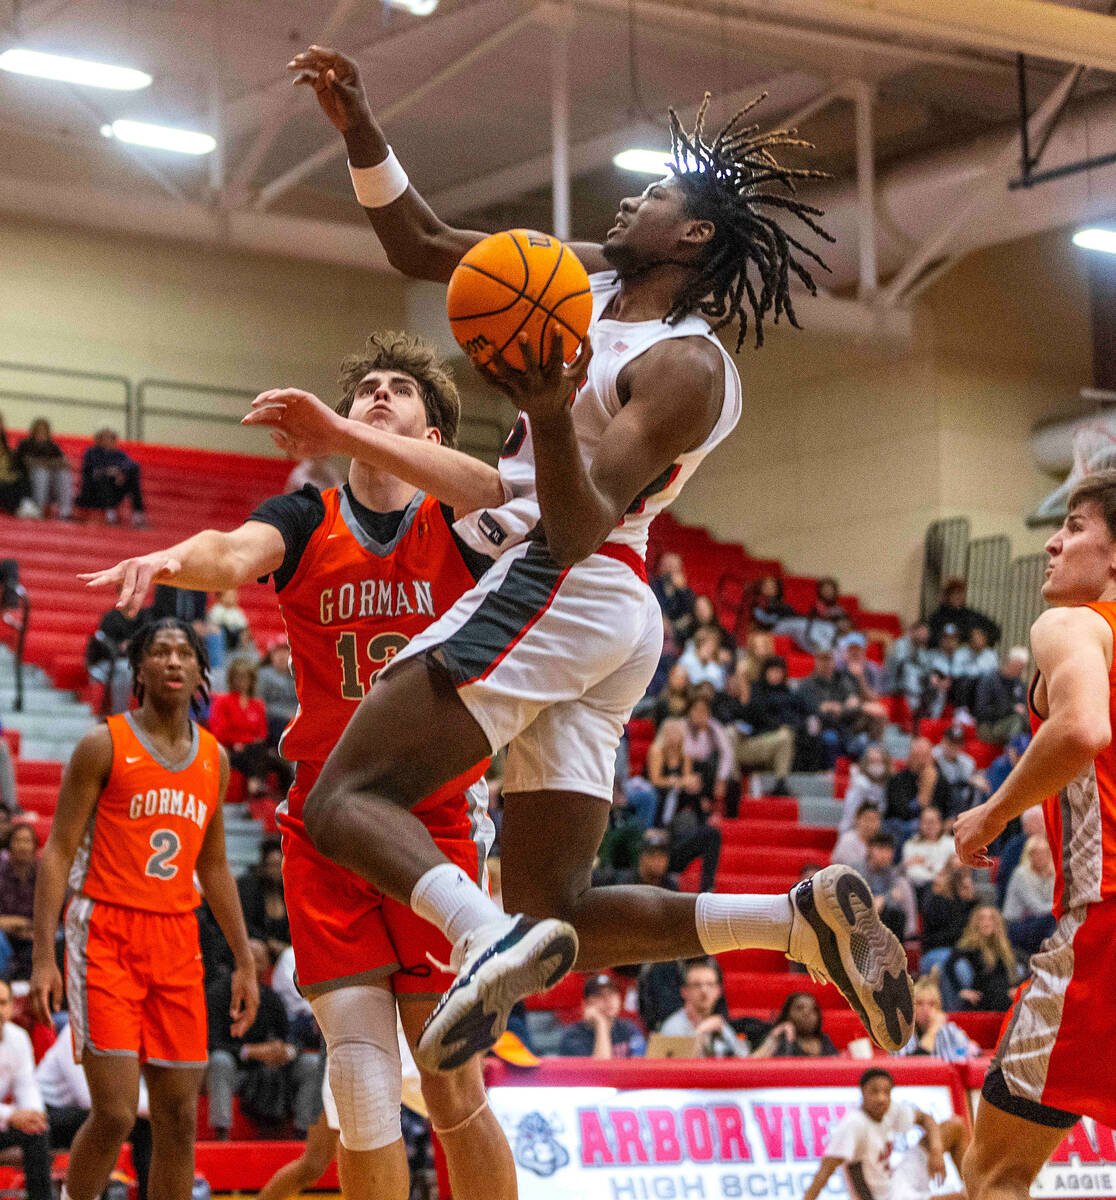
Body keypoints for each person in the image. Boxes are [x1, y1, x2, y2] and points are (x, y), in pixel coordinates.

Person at [264, 44, 912, 1076]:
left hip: (563, 580)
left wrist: (549, 415)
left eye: (652, 192)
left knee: (342, 799)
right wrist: (358, 126)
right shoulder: (592, 281)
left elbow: (574, 526)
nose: (630, 202)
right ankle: (793, 923)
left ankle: (482, 939)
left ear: (692, 233)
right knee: (553, 905)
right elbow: (423, 243)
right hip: (586, 605)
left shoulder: (687, 365)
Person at [79, 330, 516, 1200]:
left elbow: (507, 490)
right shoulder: (307, 516)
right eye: (367, 390)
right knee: (358, 1089)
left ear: (428, 437)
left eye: (401, 392)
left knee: (451, 1082)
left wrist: (359, 438)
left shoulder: (461, 521)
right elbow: (233, 552)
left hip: (432, 820)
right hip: (326, 823)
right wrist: (176, 559)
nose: (380, 395)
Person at [29, 617, 259, 1200]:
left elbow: (212, 867)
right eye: (160, 651)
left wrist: (244, 960)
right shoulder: (102, 744)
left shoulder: (215, 758)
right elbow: (56, 854)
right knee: (113, 1113)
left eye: (185, 651)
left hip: (179, 938)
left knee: (180, 1119)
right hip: (104, 932)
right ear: (139, 669)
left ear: (202, 671)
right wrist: (43, 958)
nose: (174, 661)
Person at [206, 939, 321, 1137]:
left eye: (260, 959)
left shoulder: (271, 998)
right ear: (238, 959)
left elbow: (290, 1036)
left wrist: (286, 1050)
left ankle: (303, 1132)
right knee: (219, 1060)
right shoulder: (218, 993)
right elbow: (212, 1041)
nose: (255, 964)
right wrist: (249, 1051)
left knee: (311, 1062)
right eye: (251, 958)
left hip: (270, 1069)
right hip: (237, 1069)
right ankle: (222, 1131)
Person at [802, 1067, 965, 1200]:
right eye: (874, 1092)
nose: (881, 1098)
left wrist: (936, 1153)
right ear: (863, 1092)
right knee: (960, 1198)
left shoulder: (890, 1109)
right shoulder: (853, 1125)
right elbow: (823, 1173)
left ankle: (973, 1184)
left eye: (886, 1092)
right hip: (882, 1197)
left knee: (955, 1126)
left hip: (896, 1180)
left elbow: (926, 1119)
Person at [37, 1019, 153, 1200]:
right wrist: (157, 1108)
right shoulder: (76, 1030)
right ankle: (82, 1195)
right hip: (51, 1115)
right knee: (109, 1117)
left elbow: (134, 1091)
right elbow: (89, 1097)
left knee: (141, 1124)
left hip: (85, 1112)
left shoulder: (126, 1034)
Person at [0, 976, 51, 1200]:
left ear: (11, 1006)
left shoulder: (18, 1037)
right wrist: (13, 1115)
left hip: (4, 1121)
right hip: (6, 1117)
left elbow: (28, 1087)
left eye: (2, 1003)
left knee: (36, 1132)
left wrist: (33, 1115)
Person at [208, 658, 287, 798]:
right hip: (231, 751)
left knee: (282, 767)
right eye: (238, 677)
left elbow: (262, 733)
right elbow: (219, 732)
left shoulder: (257, 704)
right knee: (259, 753)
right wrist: (242, 741)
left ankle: (285, 803)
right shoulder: (223, 702)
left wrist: (245, 742)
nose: (242, 682)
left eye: (245, 678)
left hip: (253, 749)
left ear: (252, 680)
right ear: (231, 679)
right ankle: (254, 786)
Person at [659, 959, 748, 1057]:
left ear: (718, 991)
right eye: (697, 985)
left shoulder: (719, 1025)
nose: (704, 991)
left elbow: (742, 1061)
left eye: (710, 984)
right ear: (684, 992)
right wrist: (701, 1031)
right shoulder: (673, 1027)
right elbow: (676, 1068)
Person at [943, 906, 1016, 1013]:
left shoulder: (1005, 948)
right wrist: (961, 991)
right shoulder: (968, 947)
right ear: (976, 923)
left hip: (1004, 994)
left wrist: (1015, 988)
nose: (986, 922)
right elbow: (949, 966)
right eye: (982, 919)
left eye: (991, 919)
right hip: (982, 995)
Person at [558, 974, 646, 1059]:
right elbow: (599, 1070)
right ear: (586, 1004)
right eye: (599, 995)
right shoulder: (573, 1035)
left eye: (612, 994)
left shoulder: (629, 1028)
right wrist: (601, 1024)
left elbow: (641, 1063)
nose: (608, 1000)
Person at [895, 976, 980, 1061]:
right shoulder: (903, 1034)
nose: (926, 1010)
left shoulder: (949, 1030)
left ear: (939, 1008)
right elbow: (914, 1066)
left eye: (932, 1004)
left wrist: (969, 1047)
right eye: (919, 1003)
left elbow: (972, 1054)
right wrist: (933, 1030)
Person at [76, 428, 147, 527]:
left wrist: (121, 472)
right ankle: (110, 514)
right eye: (106, 438)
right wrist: (109, 471)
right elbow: (92, 472)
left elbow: (132, 465)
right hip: (94, 491)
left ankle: (138, 515)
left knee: (132, 477)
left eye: (111, 438)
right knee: (103, 477)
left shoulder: (119, 454)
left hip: (114, 489)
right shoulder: (91, 453)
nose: (109, 441)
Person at [1001, 835, 1056, 957]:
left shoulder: (1052, 873)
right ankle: (1051, 957)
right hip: (1018, 925)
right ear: (1029, 855)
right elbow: (1037, 908)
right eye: (1036, 853)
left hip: (1040, 923)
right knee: (1054, 920)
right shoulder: (1021, 874)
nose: (1041, 857)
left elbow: (1056, 901)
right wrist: (1061, 906)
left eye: (1045, 853)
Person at [237, 837, 291, 959]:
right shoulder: (249, 887)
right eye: (272, 866)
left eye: (279, 866)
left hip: (286, 950)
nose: (276, 871)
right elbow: (245, 924)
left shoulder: (290, 890)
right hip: (259, 945)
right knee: (255, 949)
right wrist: (269, 943)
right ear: (263, 866)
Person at [0, 821, 39, 978]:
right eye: (18, 840)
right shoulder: (1, 874)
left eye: (27, 841)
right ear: (9, 846)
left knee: (59, 938)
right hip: (6, 933)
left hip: (36, 933)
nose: (23, 846)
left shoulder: (43, 876)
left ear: (35, 847)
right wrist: (21, 923)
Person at [15, 417, 73, 520]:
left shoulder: (52, 446)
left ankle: (66, 511)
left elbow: (64, 463)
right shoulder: (25, 444)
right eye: (39, 430)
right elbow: (27, 462)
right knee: (41, 473)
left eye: (44, 430)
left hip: (51, 486)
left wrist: (43, 463)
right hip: (30, 485)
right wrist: (50, 464)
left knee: (63, 474)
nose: (41, 433)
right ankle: (39, 509)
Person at [972, 647, 1030, 745]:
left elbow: (1024, 706)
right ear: (1010, 663)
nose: (1021, 671)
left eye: (1023, 667)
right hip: (989, 725)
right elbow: (982, 710)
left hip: (1010, 723)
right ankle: (1012, 755)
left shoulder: (1019, 683)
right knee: (1017, 721)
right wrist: (1011, 709)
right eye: (1020, 667)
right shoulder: (989, 680)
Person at [750, 992, 837, 1058]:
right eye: (799, 1008)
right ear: (787, 1014)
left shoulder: (825, 1041)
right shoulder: (779, 1039)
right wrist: (776, 1039)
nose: (807, 1014)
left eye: (813, 1009)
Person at [927, 578, 1000, 649]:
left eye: (959, 593)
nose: (957, 597)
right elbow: (929, 638)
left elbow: (995, 630)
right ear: (947, 596)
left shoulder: (972, 616)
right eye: (953, 593)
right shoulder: (937, 617)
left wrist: (983, 640)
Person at [900, 807, 955, 901]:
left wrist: (926, 866)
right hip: (921, 890)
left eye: (933, 821)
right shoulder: (911, 845)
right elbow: (912, 873)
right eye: (926, 822)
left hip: (949, 887)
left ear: (941, 823)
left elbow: (956, 867)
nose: (930, 825)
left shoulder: (951, 843)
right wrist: (936, 877)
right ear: (920, 824)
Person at [257, 639, 299, 748]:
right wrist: (285, 714)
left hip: (297, 717)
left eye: (285, 651)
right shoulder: (263, 675)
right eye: (278, 652)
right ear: (271, 655)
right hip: (274, 719)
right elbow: (260, 704)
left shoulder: (298, 675)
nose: (282, 656)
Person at [650, 553, 696, 644]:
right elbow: (657, 609)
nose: (670, 570)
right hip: (658, 631)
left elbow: (690, 614)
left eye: (674, 567)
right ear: (661, 568)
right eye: (667, 566)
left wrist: (682, 590)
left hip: (681, 634)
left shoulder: (685, 591)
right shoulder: (654, 585)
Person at [831, 803, 881, 874]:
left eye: (874, 820)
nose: (871, 824)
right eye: (867, 819)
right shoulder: (848, 840)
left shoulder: (881, 841)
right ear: (857, 819)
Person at [0, 412, 32, 516]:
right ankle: (21, 507)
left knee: (22, 479)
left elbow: (9, 467)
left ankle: (26, 506)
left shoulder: (6, 447)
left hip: (5, 481)